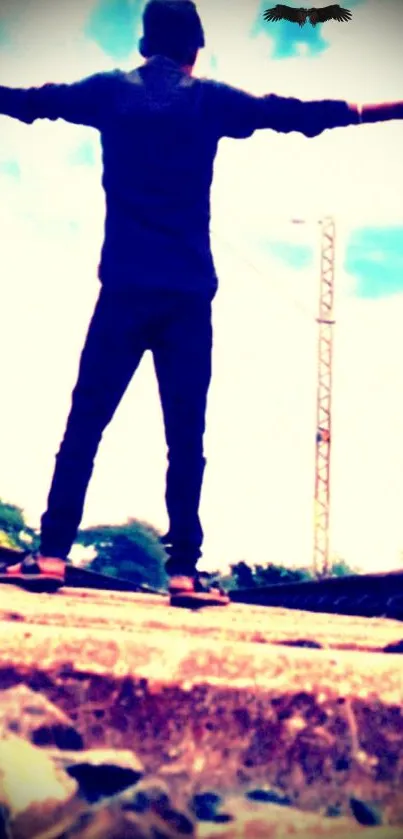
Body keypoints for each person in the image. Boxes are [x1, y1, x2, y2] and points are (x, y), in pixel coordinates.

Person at [0, 0, 402, 605]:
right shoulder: (208, 99)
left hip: (124, 290)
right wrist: (387, 108)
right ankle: (185, 573)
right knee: (185, 436)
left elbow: (30, 102)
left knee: (85, 424)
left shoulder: (110, 93)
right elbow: (296, 116)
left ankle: (51, 555)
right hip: (188, 295)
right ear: (195, 51)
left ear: (143, 46)